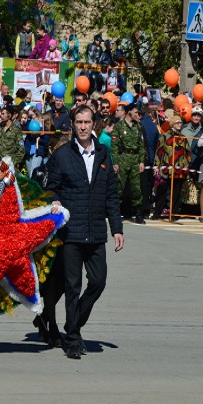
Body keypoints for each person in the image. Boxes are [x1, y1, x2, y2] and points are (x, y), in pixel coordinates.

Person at [46, 106, 124, 359]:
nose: (82, 126)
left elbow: (111, 196)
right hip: (71, 233)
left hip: (96, 232)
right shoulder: (62, 155)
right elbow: (51, 187)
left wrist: (117, 229)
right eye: (78, 122)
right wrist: (55, 200)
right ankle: (73, 341)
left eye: (87, 122)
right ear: (72, 124)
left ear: (94, 125)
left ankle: (73, 324)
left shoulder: (103, 154)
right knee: (72, 287)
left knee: (98, 282)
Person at [151, 115, 191, 221]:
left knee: (176, 193)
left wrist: (186, 166)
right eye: (177, 123)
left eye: (180, 123)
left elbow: (188, 154)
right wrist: (157, 166)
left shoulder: (183, 138)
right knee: (162, 191)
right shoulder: (165, 137)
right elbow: (159, 152)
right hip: (166, 169)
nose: (179, 124)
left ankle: (174, 213)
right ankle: (157, 212)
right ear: (172, 124)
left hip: (179, 170)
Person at [111, 103, 146, 223]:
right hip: (123, 159)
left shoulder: (139, 127)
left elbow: (142, 146)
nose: (138, 115)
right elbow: (114, 146)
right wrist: (115, 162)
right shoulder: (119, 126)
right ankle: (115, 213)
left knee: (136, 188)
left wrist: (142, 161)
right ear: (129, 112)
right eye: (136, 112)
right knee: (119, 187)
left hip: (135, 159)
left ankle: (138, 214)